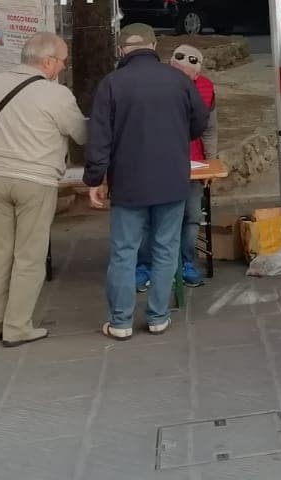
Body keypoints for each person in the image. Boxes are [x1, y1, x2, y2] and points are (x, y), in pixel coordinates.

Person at [87, 23, 208, 341]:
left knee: (124, 251)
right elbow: (199, 122)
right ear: (155, 47)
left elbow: (99, 137)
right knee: (166, 248)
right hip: (172, 179)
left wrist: (94, 178)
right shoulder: (179, 81)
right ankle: (158, 317)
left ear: (122, 49)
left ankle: (121, 321)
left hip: (129, 182)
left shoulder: (111, 84)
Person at [0, 32, 87, 347]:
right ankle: (17, 327)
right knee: (29, 256)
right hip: (36, 180)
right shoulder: (56, 95)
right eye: (63, 59)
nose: (64, 64)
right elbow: (83, 135)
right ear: (48, 61)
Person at [135, 44, 219, 292]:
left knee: (192, 216)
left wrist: (211, 161)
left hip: (193, 163)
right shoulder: (152, 84)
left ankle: (186, 263)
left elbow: (210, 128)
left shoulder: (206, 88)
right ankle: (145, 265)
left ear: (197, 73)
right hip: (154, 161)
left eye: (187, 75)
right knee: (148, 217)